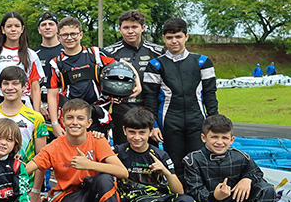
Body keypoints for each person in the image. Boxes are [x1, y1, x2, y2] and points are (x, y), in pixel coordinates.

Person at [26, 99, 128, 202]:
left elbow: (123, 172)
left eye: (80, 118)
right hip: (70, 194)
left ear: (89, 123)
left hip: (94, 192)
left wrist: (89, 165)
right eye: (70, 117)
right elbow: (30, 167)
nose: (74, 122)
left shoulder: (97, 140)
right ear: (62, 120)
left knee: (105, 178)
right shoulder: (55, 146)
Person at [114, 108, 199, 202]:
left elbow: (179, 191)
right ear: (124, 130)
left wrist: (165, 172)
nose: (137, 137)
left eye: (142, 132)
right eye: (132, 132)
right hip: (132, 201)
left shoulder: (161, 155)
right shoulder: (117, 152)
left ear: (150, 131)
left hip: (157, 198)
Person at [142, 17, 218, 164]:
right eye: (169, 37)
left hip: (197, 120)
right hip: (169, 122)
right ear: (163, 38)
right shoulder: (155, 65)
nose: (174, 41)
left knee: (198, 162)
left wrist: (214, 122)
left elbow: (210, 94)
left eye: (178, 36)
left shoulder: (203, 62)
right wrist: (153, 125)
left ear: (186, 36)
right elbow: (150, 97)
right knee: (174, 163)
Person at [182, 114, 276, 202]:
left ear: (232, 139)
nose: (220, 142)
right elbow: (193, 192)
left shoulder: (241, 156)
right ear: (203, 138)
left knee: (266, 189)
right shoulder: (192, 160)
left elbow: (257, 173)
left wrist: (247, 179)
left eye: (225, 138)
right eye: (214, 137)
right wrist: (215, 196)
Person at [47, 17, 124, 137]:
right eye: (65, 35)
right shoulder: (56, 63)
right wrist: (55, 123)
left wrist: (137, 86)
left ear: (81, 35)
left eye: (73, 34)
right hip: (71, 116)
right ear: (58, 37)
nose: (69, 38)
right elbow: (52, 95)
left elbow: (121, 65)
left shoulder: (95, 54)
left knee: (98, 151)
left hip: (97, 113)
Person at [103, 10, 163, 146]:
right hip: (122, 110)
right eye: (126, 27)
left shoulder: (158, 51)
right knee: (123, 150)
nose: (130, 31)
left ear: (143, 28)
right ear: (119, 29)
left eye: (134, 27)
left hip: (150, 109)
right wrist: (108, 96)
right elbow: (99, 80)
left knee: (150, 151)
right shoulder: (109, 52)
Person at [0, 66, 49, 164]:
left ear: (25, 86)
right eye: (6, 84)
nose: (10, 88)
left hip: (25, 177)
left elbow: (41, 158)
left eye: (15, 83)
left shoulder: (36, 118)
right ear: (0, 86)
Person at [0, 12, 43, 111]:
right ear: (3, 30)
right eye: (9, 26)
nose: (13, 29)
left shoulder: (31, 55)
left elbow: (35, 87)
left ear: (22, 29)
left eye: (17, 26)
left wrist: (37, 113)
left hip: (23, 101)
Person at [34, 12, 62, 128]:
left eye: (51, 24)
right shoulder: (32, 54)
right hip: (38, 107)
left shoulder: (66, 51)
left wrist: (61, 106)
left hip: (62, 107)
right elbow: (28, 82)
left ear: (57, 28)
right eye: (43, 24)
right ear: (39, 30)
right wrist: (39, 105)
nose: (47, 27)